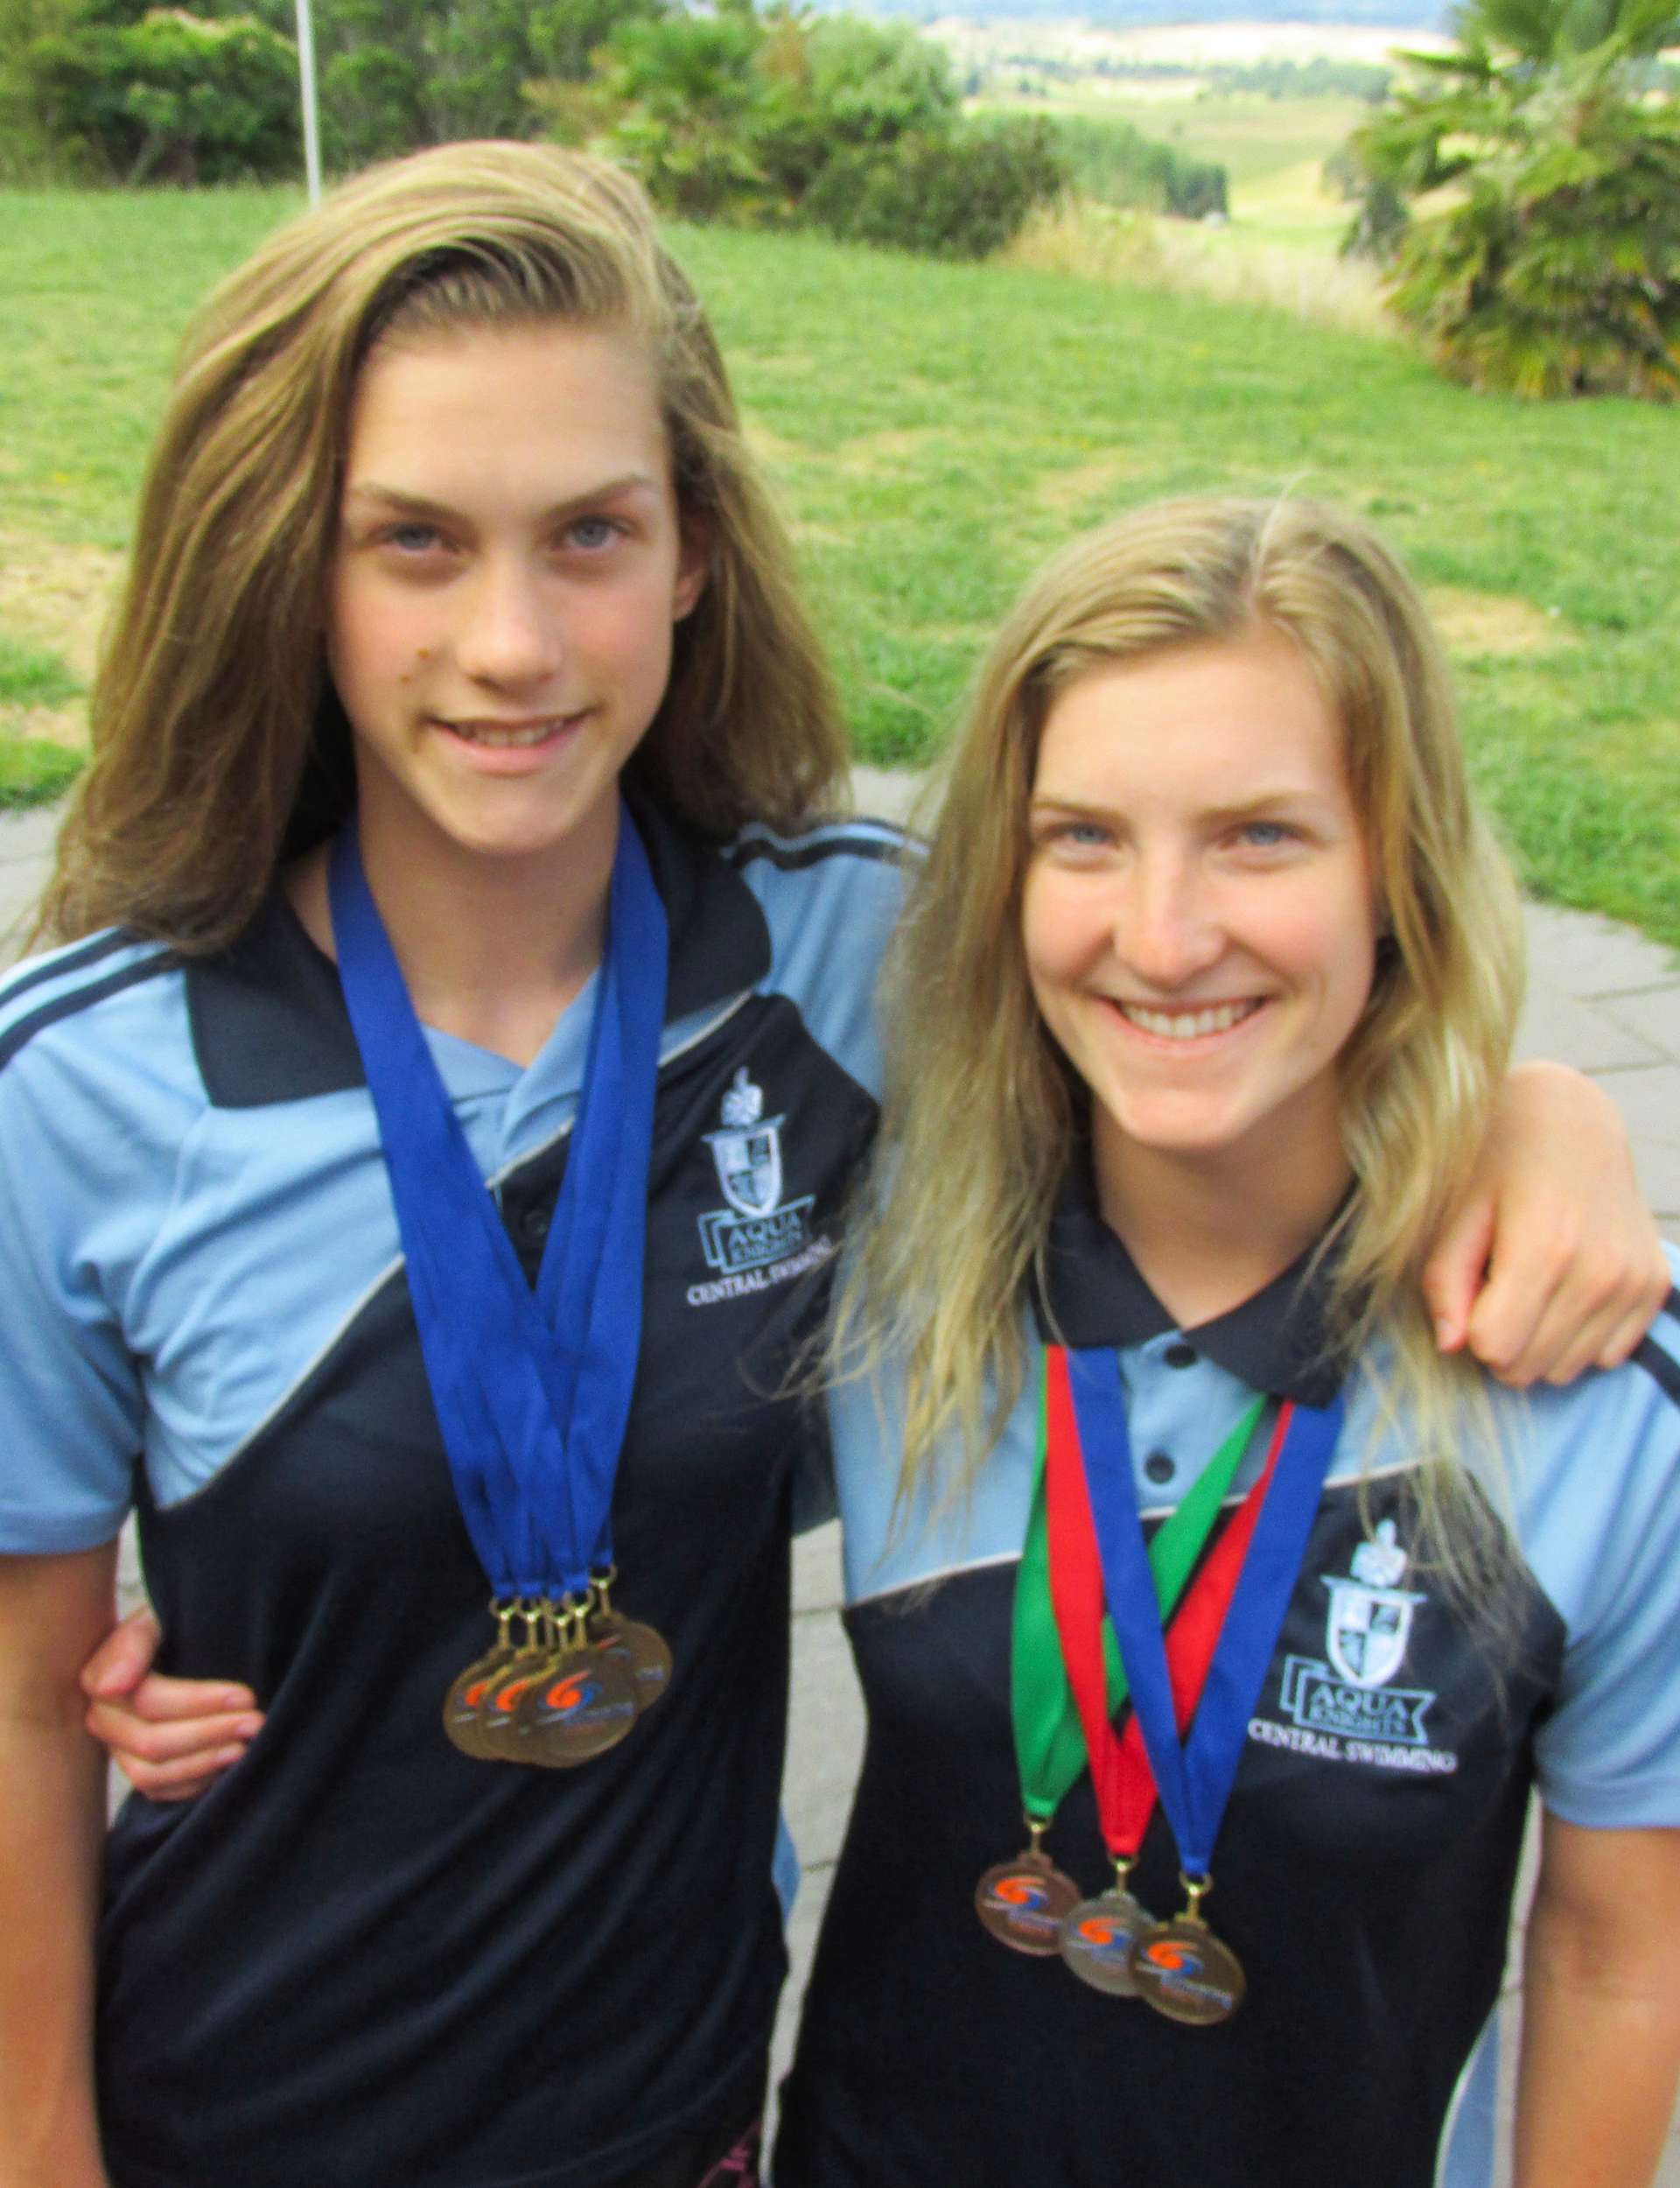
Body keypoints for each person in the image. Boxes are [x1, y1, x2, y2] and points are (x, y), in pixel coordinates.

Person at [16, 150, 1662, 2188]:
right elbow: (21, 1708)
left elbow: (1189, 997)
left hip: (686, 2123)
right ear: (292, 559)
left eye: (592, 531)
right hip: (235, 2122)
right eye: (414, 539)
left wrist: (1538, 1111)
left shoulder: (856, 953)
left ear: (693, 550)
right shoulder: (80, 1087)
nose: (512, 640)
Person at [769, 497, 1680, 2188]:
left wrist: (1542, 1101)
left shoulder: (1593, 1394)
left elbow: (1615, 1960)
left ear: (1400, 871)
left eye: (1262, 836)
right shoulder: (888, 1271)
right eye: (1084, 837)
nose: (1165, 936)